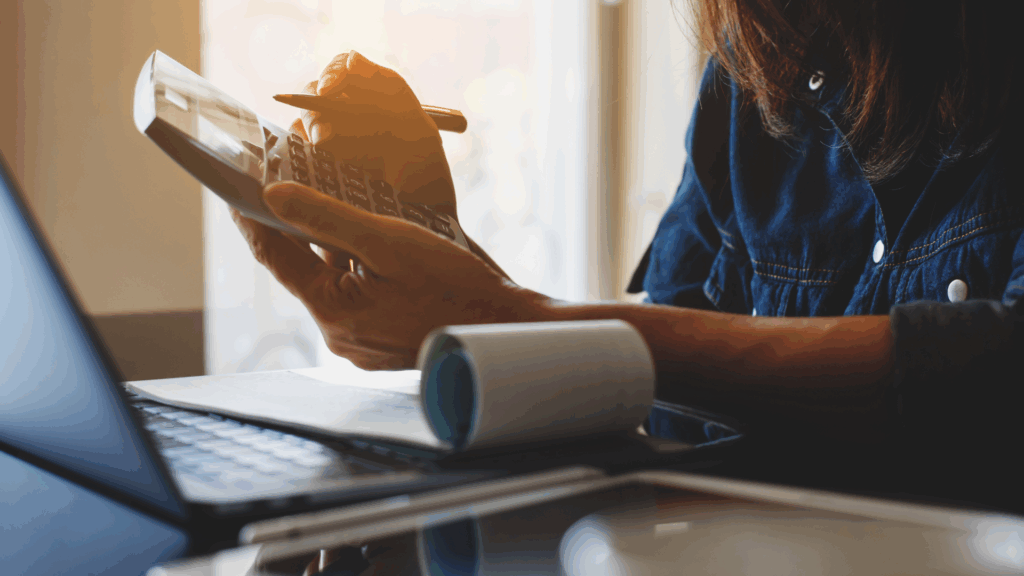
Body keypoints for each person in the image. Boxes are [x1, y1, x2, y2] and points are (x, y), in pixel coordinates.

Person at [232, 1, 1024, 508]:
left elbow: (997, 375)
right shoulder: (750, 83)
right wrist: (445, 256)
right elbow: (661, 386)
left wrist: (507, 320)